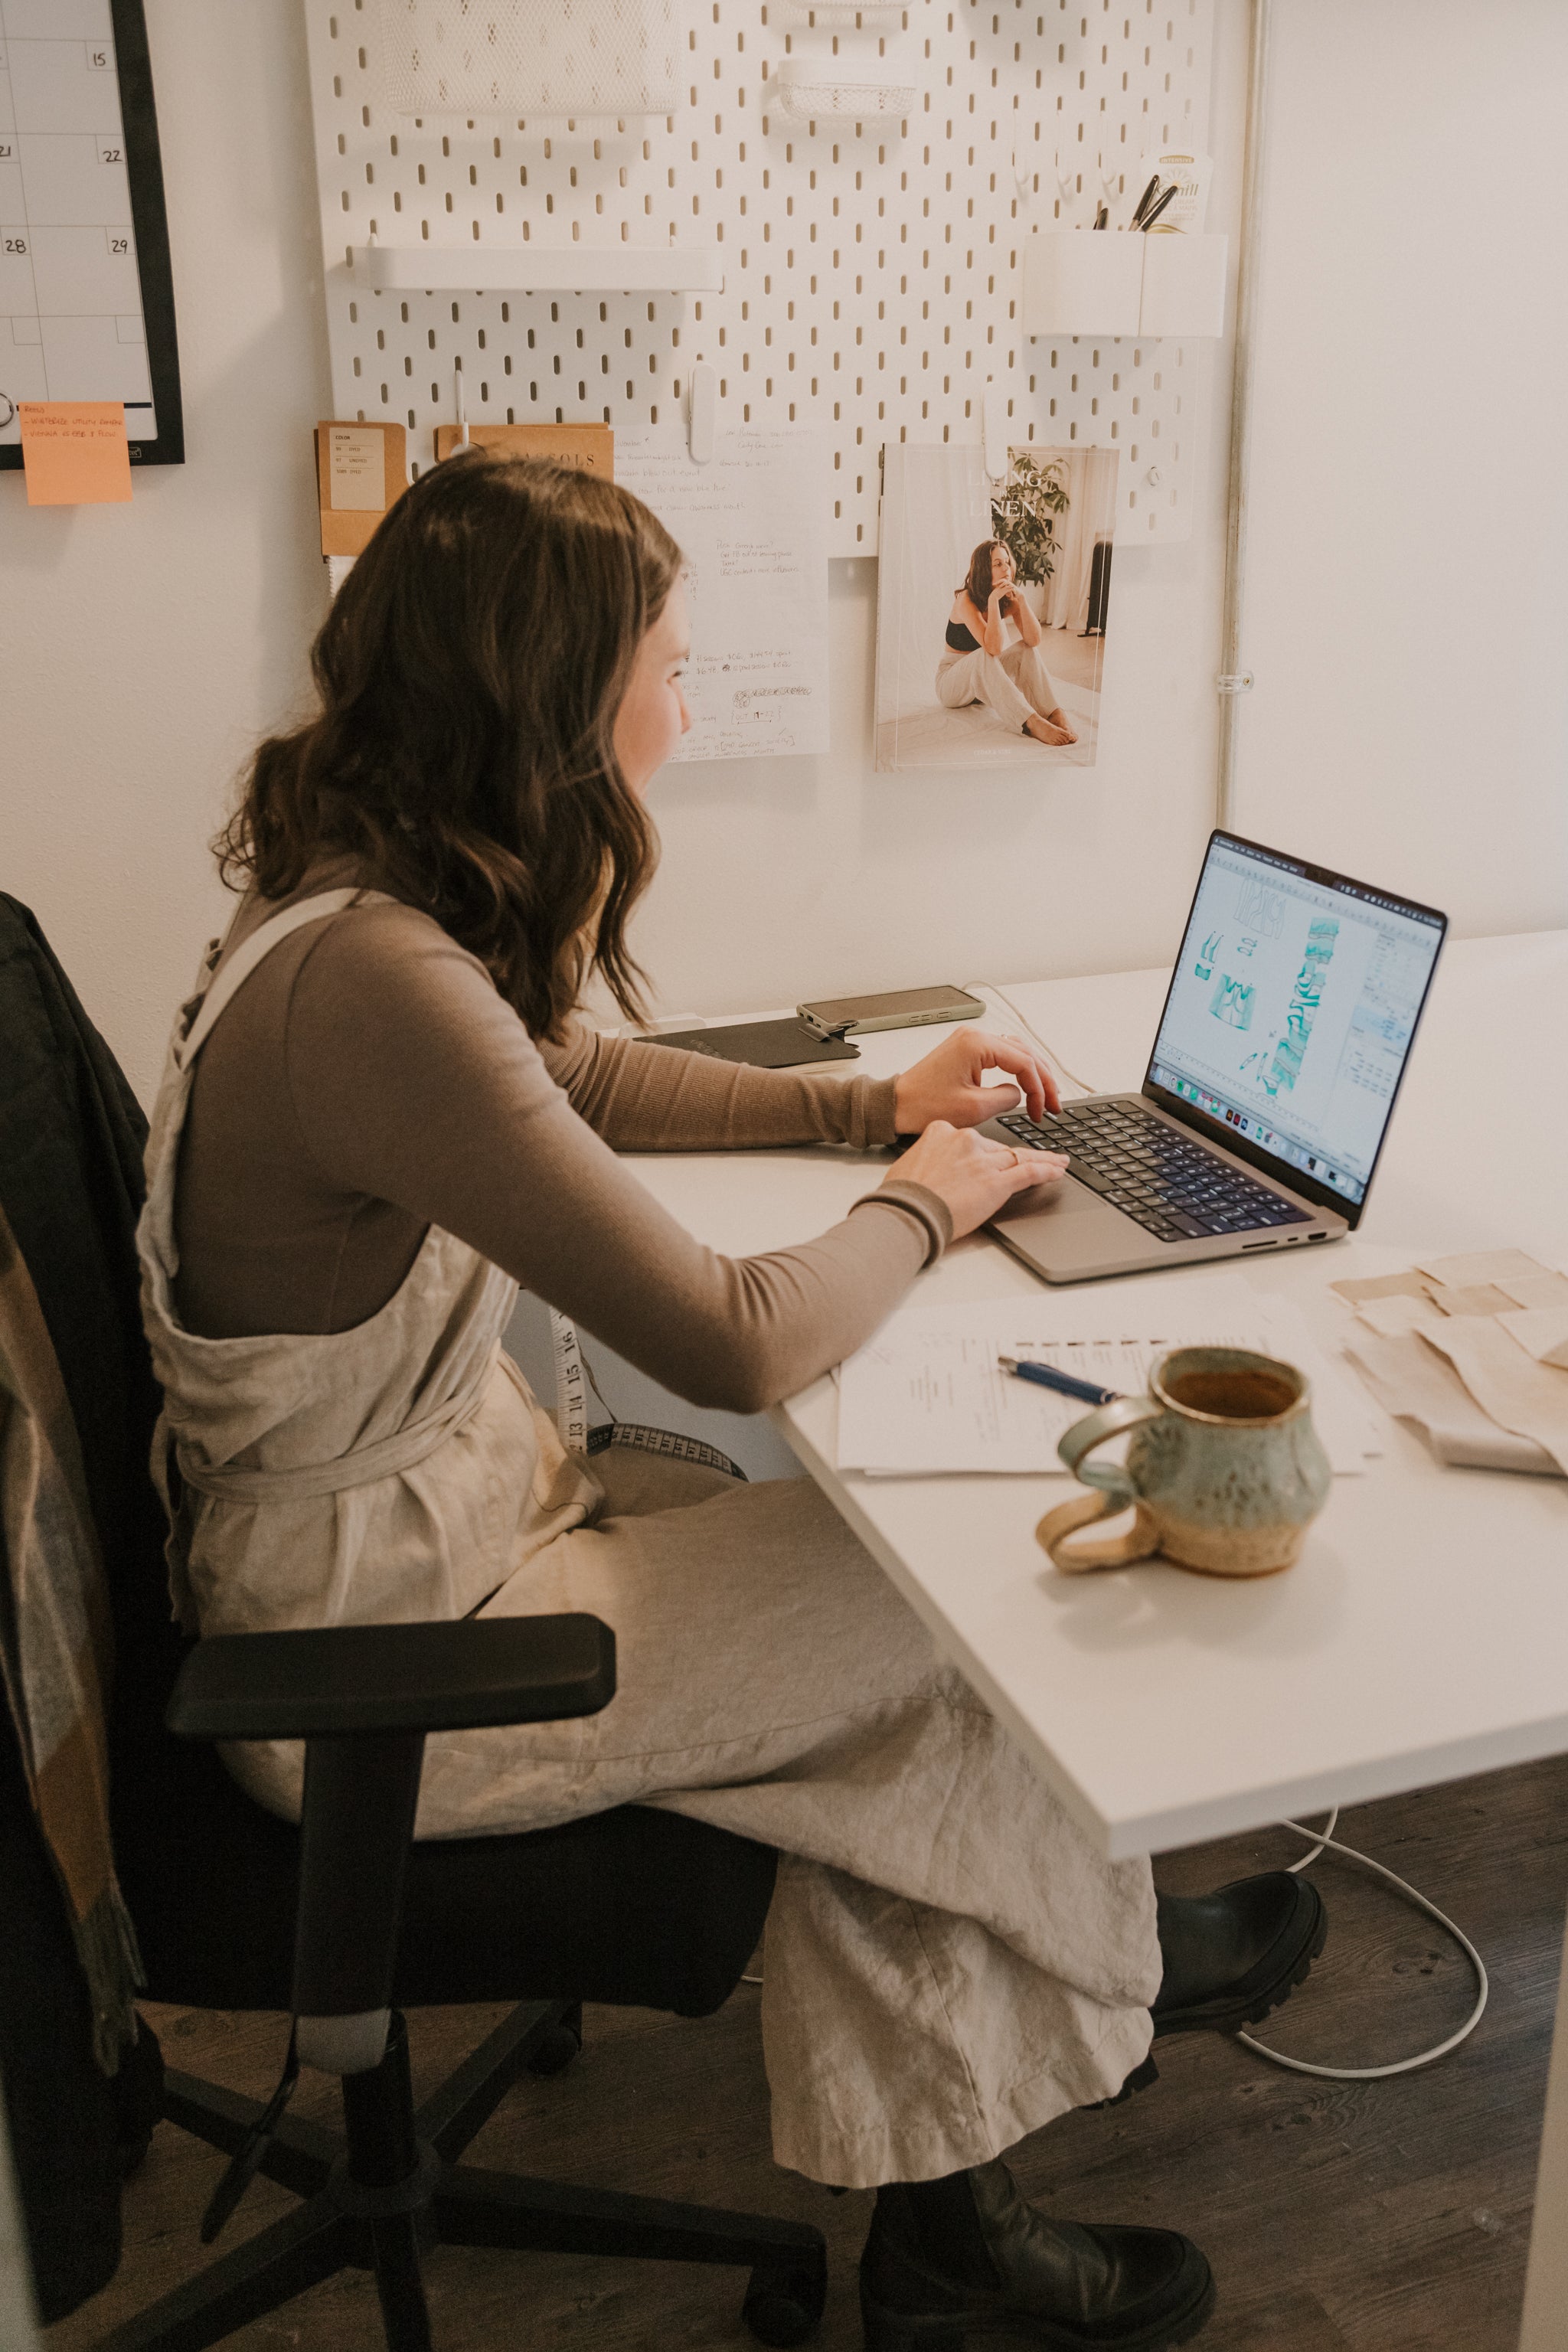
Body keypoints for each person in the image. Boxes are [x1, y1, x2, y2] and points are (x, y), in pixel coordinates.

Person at [138, 453, 1325, 2351]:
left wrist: (865, 1105)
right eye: (670, 673)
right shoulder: (375, 987)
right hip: (377, 1666)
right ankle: (1021, 2087)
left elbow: (575, 1077)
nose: (685, 716)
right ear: (554, 701)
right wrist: (927, 1200)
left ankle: (1061, 1980)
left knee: (880, 1618)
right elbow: (737, 1339)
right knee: (934, 1623)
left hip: (422, 1546)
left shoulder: (354, 902)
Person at [939, 539, 1079, 748]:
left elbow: (1034, 640)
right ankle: (1031, 722)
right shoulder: (966, 600)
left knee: (1025, 649)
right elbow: (993, 648)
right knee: (983, 655)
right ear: (984, 570)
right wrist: (993, 602)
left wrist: (1021, 601)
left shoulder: (1009, 599)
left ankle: (1053, 712)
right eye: (998, 564)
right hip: (952, 685)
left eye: (1007, 562)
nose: (1006, 569)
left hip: (983, 686)